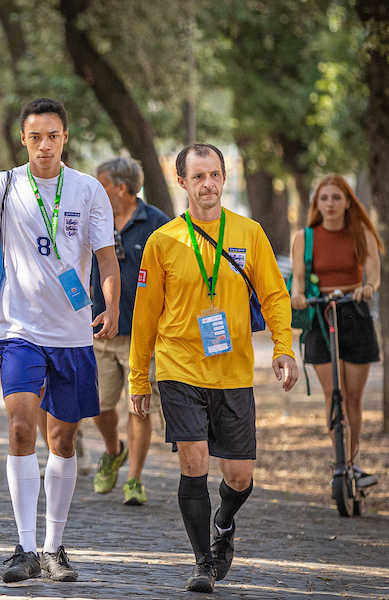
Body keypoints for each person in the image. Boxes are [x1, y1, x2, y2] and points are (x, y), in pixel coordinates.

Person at [0, 98, 120, 583]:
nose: (44, 145)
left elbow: (107, 260)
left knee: (63, 437)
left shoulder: (89, 190)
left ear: (65, 138)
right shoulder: (3, 185)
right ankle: (25, 547)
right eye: (35, 137)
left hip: (72, 334)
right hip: (19, 330)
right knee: (20, 429)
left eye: (52, 135)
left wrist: (111, 305)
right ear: (24, 140)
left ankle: (55, 546)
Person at [130, 143, 297, 593]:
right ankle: (202, 562)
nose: (209, 184)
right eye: (199, 176)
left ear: (225, 179)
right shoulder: (163, 241)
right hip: (178, 366)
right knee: (194, 462)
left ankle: (224, 523)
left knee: (239, 476)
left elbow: (275, 296)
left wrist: (284, 348)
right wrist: (138, 376)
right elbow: (144, 316)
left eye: (216, 175)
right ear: (181, 181)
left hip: (234, 370)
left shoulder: (249, 233)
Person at [87, 157, 171, 505]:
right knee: (98, 407)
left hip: (143, 338)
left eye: (101, 184)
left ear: (120, 188)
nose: (95, 190)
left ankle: (134, 479)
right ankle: (113, 450)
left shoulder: (157, 224)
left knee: (140, 408)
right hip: (99, 333)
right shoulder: (93, 218)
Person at [290, 175, 382, 487]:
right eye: (324, 198)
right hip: (319, 315)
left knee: (353, 397)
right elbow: (299, 278)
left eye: (336, 198)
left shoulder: (362, 233)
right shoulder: (304, 237)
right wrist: (298, 295)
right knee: (333, 396)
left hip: (353, 312)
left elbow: (374, 273)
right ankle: (342, 463)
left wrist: (368, 287)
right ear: (317, 204)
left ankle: (354, 464)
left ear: (347, 202)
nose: (329, 204)